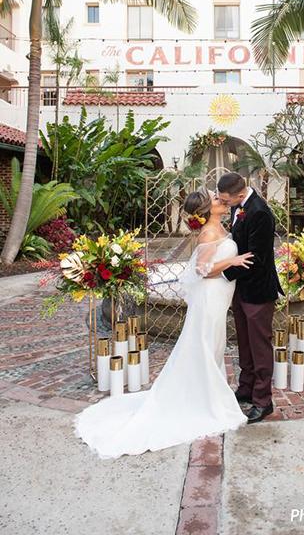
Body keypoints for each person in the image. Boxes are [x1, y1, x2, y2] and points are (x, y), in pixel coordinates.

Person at [73, 186, 253, 459]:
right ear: (207, 209)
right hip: (210, 297)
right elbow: (201, 270)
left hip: (219, 297)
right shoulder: (209, 232)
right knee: (205, 343)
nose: (222, 200)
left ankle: (205, 394)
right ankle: (207, 400)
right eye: (216, 199)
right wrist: (233, 261)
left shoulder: (219, 229)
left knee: (211, 344)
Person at [216, 172, 284, 424]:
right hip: (241, 288)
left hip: (258, 291)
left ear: (241, 195)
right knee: (244, 342)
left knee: (260, 346)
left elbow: (257, 259)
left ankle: (263, 401)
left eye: (226, 201)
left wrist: (222, 272)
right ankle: (246, 388)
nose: (224, 205)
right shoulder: (238, 207)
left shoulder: (260, 213)